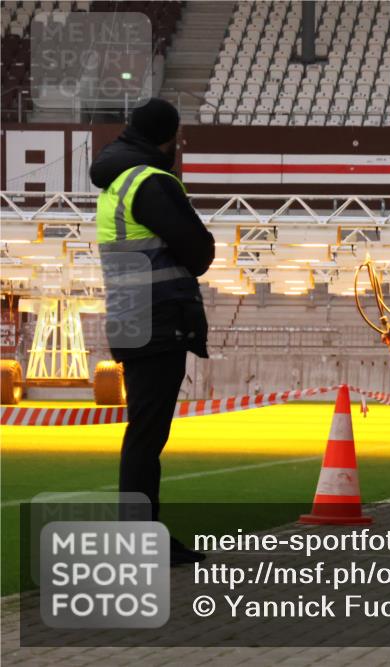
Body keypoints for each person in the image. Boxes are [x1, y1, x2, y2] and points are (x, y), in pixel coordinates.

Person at [91, 98, 215, 565]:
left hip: (131, 315)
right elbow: (199, 251)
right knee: (147, 434)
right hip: (158, 317)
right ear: (170, 138)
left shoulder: (116, 183)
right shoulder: (152, 183)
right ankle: (140, 541)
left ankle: (140, 535)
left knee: (144, 431)